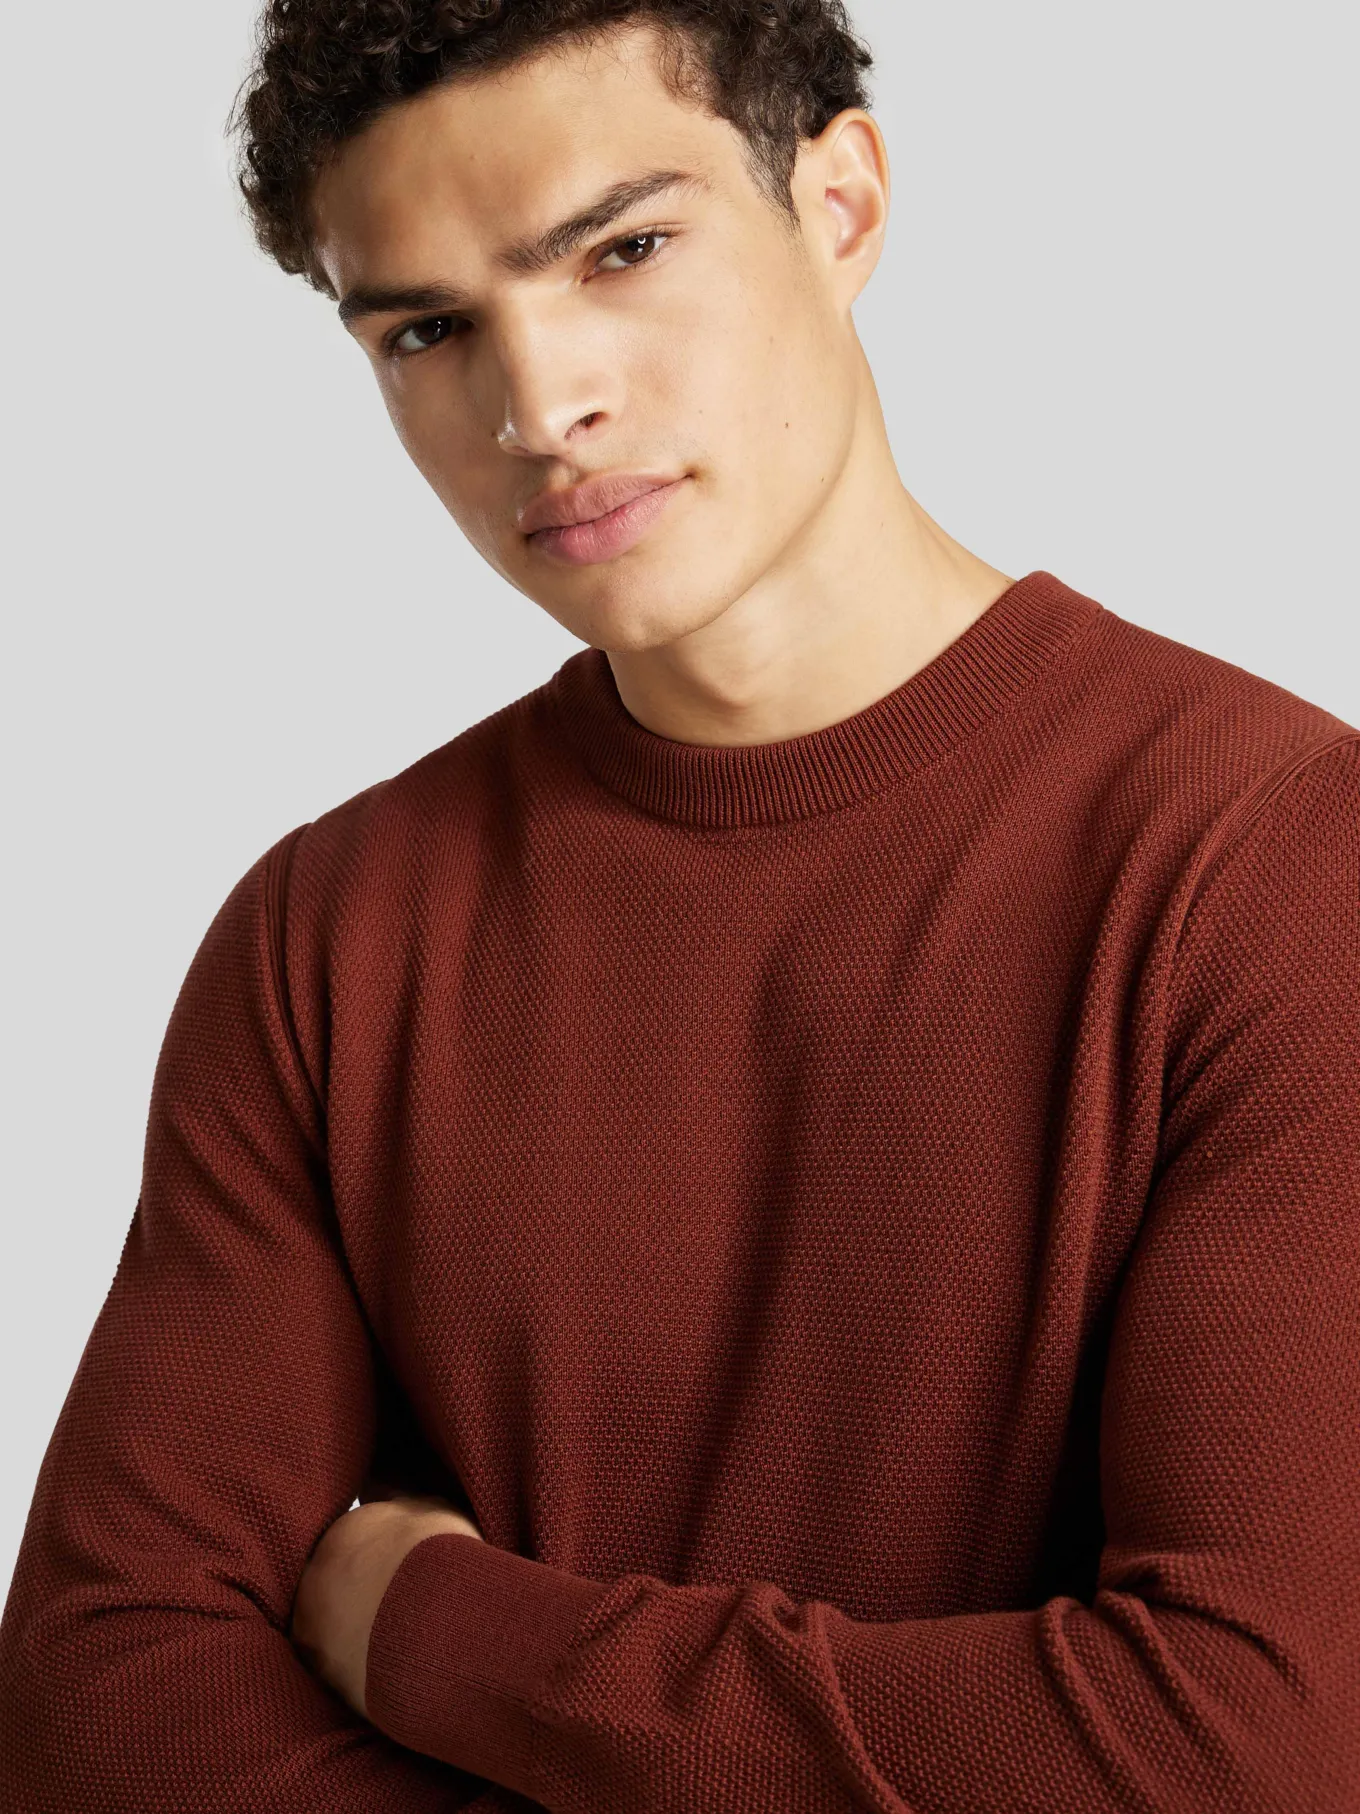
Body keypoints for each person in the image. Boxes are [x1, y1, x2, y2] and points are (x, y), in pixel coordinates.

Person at [1, 2, 1356, 1809]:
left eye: (623, 251)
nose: (539, 406)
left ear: (842, 203)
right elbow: (101, 1712)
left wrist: (436, 1626)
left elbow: (1238, 1742)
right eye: (427, 330)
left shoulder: (1273, 859)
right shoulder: (327, 936)